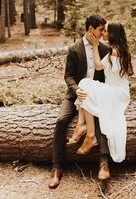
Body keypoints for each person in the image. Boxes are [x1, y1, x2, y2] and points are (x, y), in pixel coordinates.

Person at [48, 15, 110, 189]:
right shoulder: (74, 49)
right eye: (100, 29)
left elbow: (106, 77)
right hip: (75, 94)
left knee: (100, 118)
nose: (103, 32)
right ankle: (56, 167)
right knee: (61, 121)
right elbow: (68, 76)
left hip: (94, 95)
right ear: (91, 29)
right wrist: (77, 90)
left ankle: (104, 162)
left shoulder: (104, 49)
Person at [70, 21, 133, 163]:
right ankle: (82, 126)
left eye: (105, 31)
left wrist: (94, 46)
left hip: (114, 92)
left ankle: (90, 134)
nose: (103, 33)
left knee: (84, 84)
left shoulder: (113, 51)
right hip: (121, 90)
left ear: (112, 34)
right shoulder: (123, 50)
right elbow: (129, 72)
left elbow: (98, 66)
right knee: (85, 87)